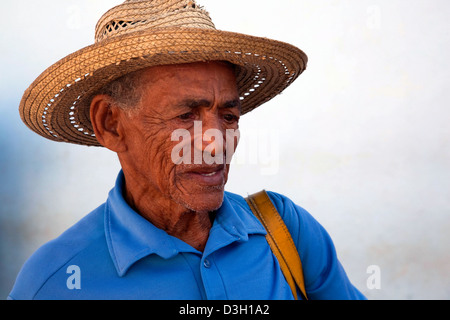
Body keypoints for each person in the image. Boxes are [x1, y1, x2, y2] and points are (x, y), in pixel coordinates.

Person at [9, 0, 365, 300]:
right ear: (111, 124)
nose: (215, 141)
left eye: (228, 115)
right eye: (186, 116)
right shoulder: (56, 281)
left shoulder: (285, 229)